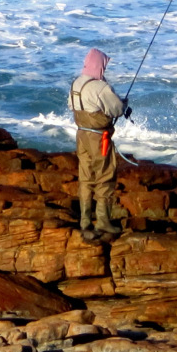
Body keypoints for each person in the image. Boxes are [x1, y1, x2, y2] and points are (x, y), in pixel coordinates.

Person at [69, 48, 128, 243]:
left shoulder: (76, 83)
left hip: (81, 135)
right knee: (105, 176)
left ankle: (85, 223)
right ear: (100, 65)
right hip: (98, 138)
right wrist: (124, 104)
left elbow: (72, 106)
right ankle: (103, 221)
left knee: (85, 177)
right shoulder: (101, 87)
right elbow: (117, 109)